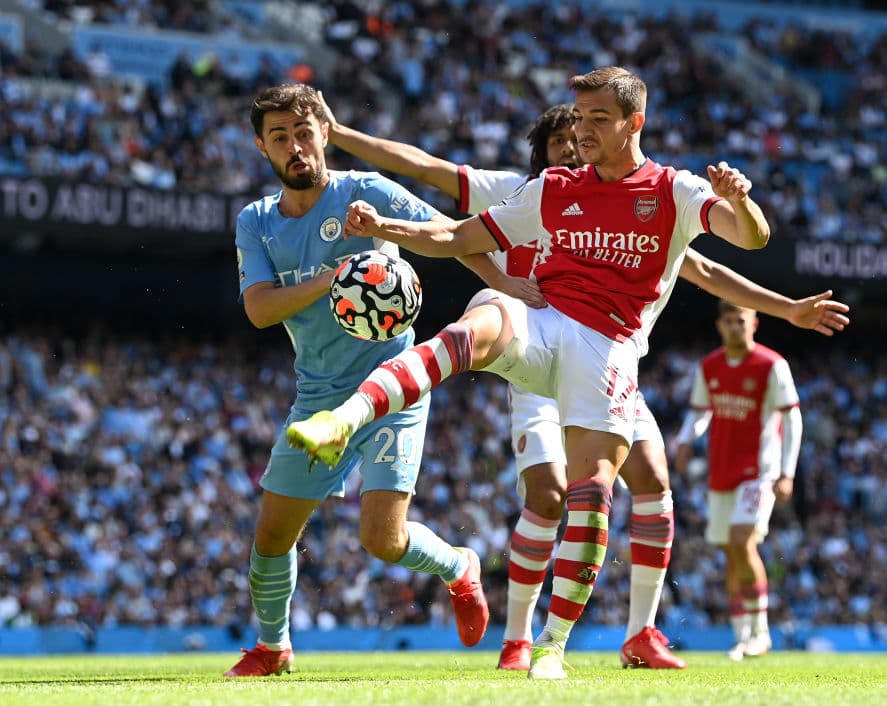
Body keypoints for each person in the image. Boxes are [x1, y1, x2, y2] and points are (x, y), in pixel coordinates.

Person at [314, 97, 850, 670]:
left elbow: (713, 266)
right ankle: (519, 637)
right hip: (536, 341)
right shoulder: (532, 188)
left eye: (592, 128)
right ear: (544, 155)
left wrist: (786, 305)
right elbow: (431, 180)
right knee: (546, 489)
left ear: (631, 124)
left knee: (645, 482)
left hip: (610, 356)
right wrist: (343, 139)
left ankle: (631, 633)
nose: (578, 146)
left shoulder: (662, 197)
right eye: (566, 141)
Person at [223, 83, 488, 678]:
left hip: (392, 386)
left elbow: (455, 234)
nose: (295, 146)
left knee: (382, 540)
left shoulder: (363, 191)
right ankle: (274, 648)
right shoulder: (257, 222)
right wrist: (336, 278)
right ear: (263, 149)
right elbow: (260, 309)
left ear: (324, 131)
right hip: (318, 396)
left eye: (303, 132)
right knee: (271, 537)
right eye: (280, 137)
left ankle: (458, 568)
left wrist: (513, 284)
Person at [674, 301, 802, 661]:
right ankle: (742, 634)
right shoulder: (710, 366)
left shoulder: (771, 365)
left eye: (741, 321)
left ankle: (760, 632)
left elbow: (792, 420)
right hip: (721, 471)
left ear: (755, 323)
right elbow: (700, 412)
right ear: (719, 325)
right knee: (731, 553)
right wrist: (686, 438)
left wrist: (786, 472)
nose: (735, 327)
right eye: (729, 321)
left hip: (759, 470)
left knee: (741, 541)